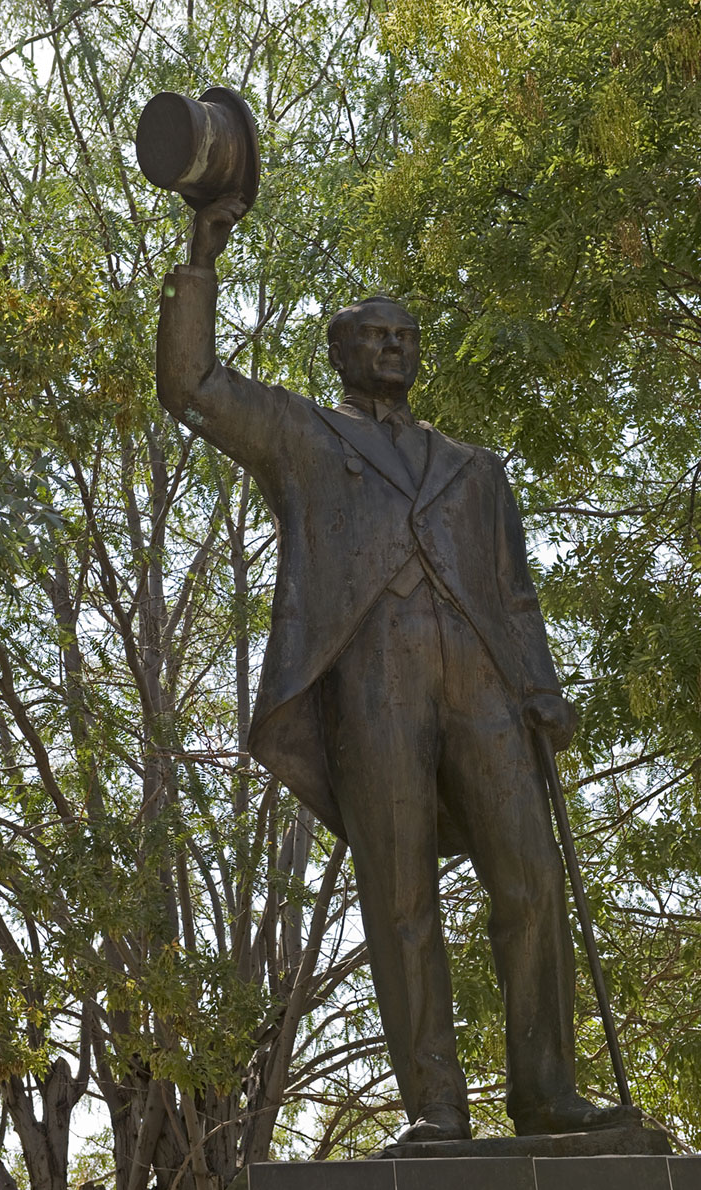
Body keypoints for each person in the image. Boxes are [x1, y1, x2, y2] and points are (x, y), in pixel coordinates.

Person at [156, 197, 639, 1142]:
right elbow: (195, 384)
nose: (392, 347)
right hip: (371, 682)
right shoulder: (303, 436)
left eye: (405, 337)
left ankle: (547, 1091)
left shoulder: (475, 470)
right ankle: (437, 1106)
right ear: (339, 353)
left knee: (532, 877)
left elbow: (515, 595)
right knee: (401, 893)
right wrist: (201, 256)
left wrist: (542, 687)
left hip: (484, 681)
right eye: (374, 336)